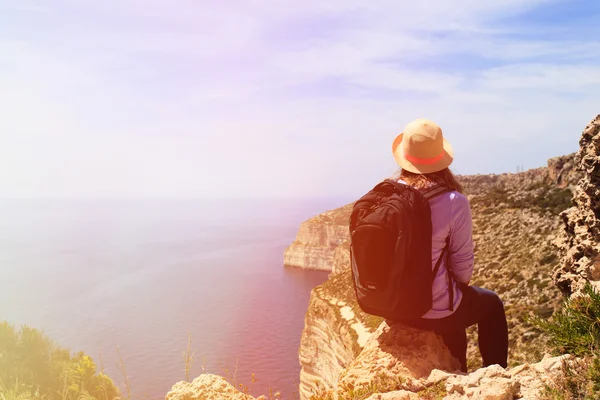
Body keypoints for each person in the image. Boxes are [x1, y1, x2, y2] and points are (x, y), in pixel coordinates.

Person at [390, 118, 508, 373]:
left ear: (404, 158)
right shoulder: (453, 201)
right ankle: (493, 377)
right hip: (432, 311)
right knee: (491, 305)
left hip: (393, 307)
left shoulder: (387, 195)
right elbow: (463, 273)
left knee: (452, 307)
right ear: (440, 158)